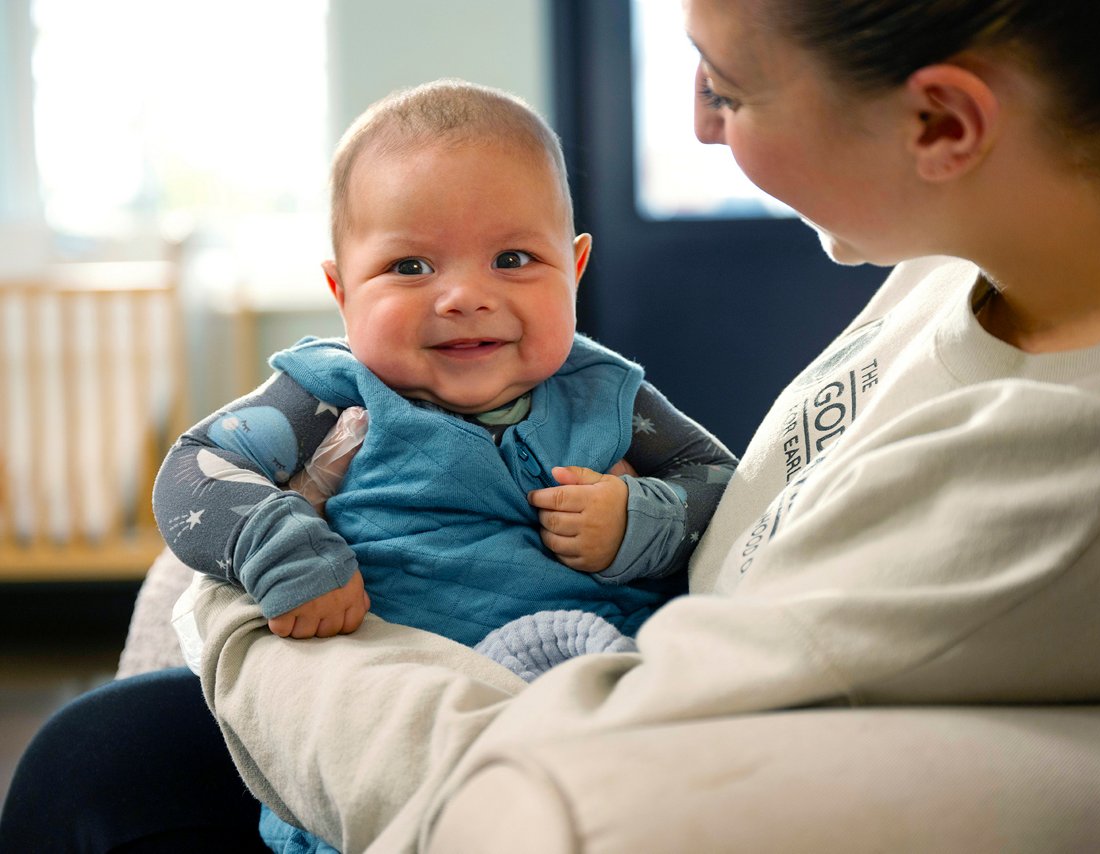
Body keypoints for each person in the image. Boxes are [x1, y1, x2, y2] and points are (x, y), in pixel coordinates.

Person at [4, 0, 1100, 850]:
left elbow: (531, 793)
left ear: (942, 121)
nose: (695, 125)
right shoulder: (995, 250)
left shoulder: (1080, 477)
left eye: (726, 86)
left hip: (556, 716)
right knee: (98, 755)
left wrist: (226, 598)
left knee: (94, 772)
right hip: (576, 659)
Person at [152, 78, 735, 854]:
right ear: (341, 289)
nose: (464, 295)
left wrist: (644, 517)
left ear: (575, 267)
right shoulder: (331, 391)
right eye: (410, 267)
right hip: (390, 718)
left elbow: (723, 483)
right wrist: (284, 547)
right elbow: (197, 469)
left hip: (589, 700)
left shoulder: (604, 393)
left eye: (514, 258)